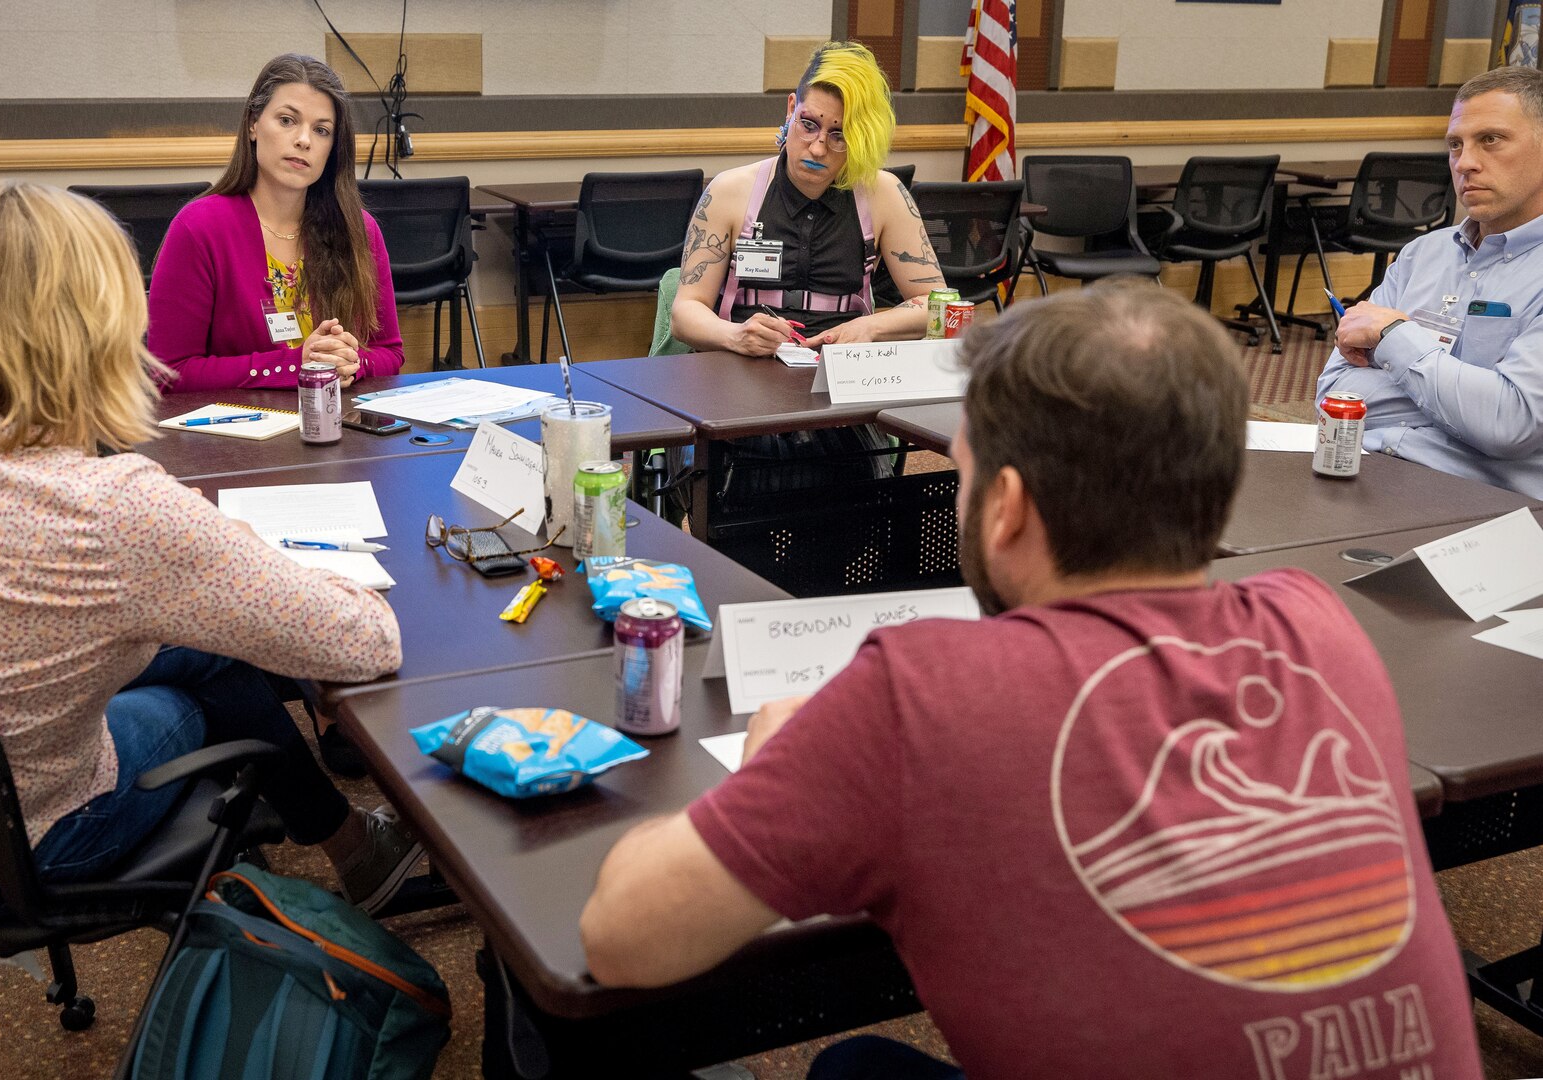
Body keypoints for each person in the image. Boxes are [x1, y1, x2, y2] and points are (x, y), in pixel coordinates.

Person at [582, 281, 1482, 1079]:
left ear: (1004, 508)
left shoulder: (915, 696)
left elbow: (620, 940)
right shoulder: (1314, 622)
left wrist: (768, 770)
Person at [0, 180, 424, 930]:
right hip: (3, 855)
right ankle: (339, 853)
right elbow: (364, 641)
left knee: (208, 646)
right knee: (194, 691)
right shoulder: (114, 509)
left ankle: (348, 842)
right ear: (96, 324)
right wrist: (268, 565)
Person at [1316, 64, 1543, 499]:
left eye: (1491, 140)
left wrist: (1392, 336)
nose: (1466, 163)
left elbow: (1509, 422)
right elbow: (1334, 394)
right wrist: (1467, 402)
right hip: (1369, 479)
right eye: (1455, 144)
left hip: (1483, 509)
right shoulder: (1426, 253)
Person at [148, 53, 404, 393]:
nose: (304, 140)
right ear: (253, 124)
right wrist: (295, 364)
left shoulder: (359, 229)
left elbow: (389, 352)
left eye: (322, 130)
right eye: (287, 120)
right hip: (233, 437)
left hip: (339, 428)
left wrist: (350, 363)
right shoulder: (199, 228)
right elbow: (168, 373)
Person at [670, 40, 941, 354]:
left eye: (839, 135)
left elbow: (937, 304)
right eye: (809, 125)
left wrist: (871, 326)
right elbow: (684, 313)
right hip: (742, 365)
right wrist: (736, 335)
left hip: (843, 372)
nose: (818, 147)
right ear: (790, 109)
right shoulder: (730, 191)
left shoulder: (883, 195)